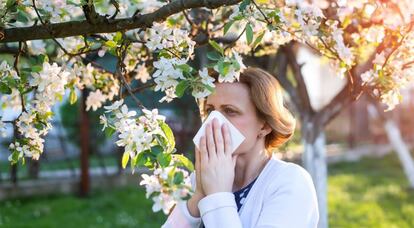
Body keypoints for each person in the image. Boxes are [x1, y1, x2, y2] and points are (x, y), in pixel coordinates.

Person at [161, 67, 319, 228]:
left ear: (265, 125)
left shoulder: (289, 181)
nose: (214, 121)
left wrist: (217, 194)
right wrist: (199, 195)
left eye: (230, 111)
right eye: (210, 110)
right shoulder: (200, 179)